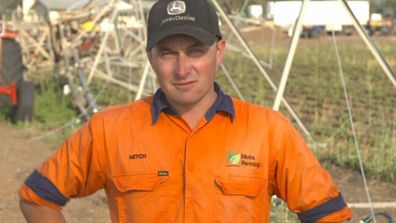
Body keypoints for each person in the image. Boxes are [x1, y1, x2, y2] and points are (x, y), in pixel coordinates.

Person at [19, 0, 353, 222]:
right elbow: (37, 197)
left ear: (218, 51)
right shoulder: (110, 129)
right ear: (151, 57)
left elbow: (328, 214)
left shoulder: (267, 130)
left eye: (195, 51)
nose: (183, 69)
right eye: (168, 54)